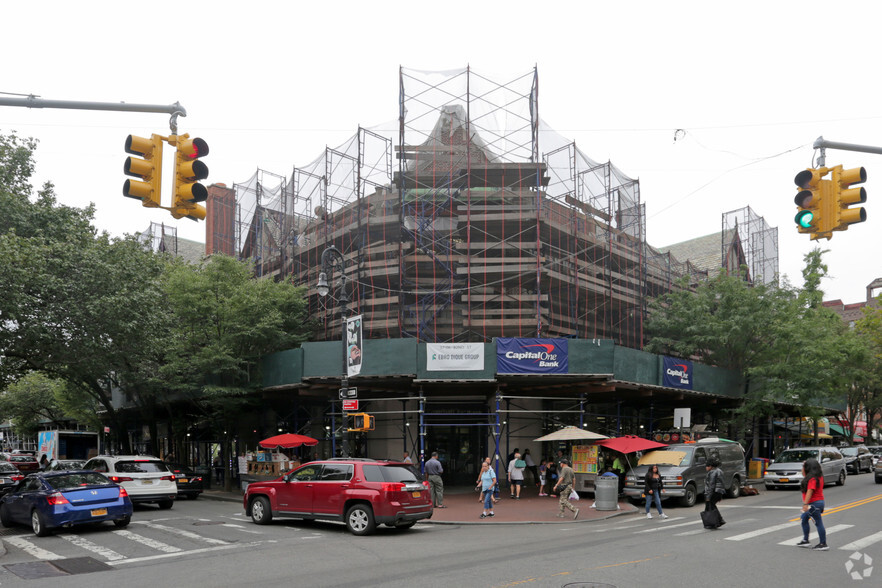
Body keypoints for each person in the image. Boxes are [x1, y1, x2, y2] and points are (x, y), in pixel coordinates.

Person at [796, 458, 828, 550]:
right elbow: (804, 474)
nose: (803, 468)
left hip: (813, 504)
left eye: (805, 467)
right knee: (804, 519)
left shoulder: (813, 479)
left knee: (818, 523)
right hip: (816, 503)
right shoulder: (817, 476)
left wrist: (805, 504)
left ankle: (823, 543)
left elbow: (810, 491)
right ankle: (805, 540)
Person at [703, 457, 726, 528]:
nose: (706, 467)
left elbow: (711, 485)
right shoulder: (719, 471)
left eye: (707, 466)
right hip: (718, 491)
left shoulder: (713, 472)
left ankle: (715, 521)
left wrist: (708, 496)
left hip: (714, 491)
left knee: (710, 505)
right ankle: (717, 521)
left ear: (710, 466)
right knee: (711, 506)